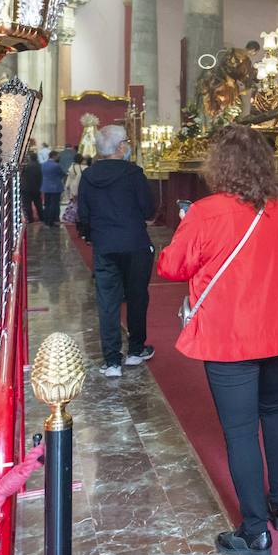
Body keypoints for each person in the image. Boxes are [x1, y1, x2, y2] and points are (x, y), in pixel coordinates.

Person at [157, 126, 278, 555]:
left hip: (233, 334)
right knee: (276, 411)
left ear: (219, 166)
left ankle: (255, 532)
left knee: (241, 430)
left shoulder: (207, 211)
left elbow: (172, 265)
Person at [77, 125, 157, 378]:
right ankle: (135, 349)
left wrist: (93, 236)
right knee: (136, 296)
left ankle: (112, 361)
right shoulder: (134, 174)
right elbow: (147, 209)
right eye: (127, 142)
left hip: (105, 245)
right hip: (135, 243)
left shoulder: (89, 176)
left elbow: (84, 214)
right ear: (121, 147)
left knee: (108, 302)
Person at [40, 150, 64, 227]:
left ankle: (46, 220)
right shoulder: (56, 165)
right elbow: (62, 174)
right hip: (55, 188)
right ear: (54, 156)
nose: (58, 157)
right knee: (54, 204)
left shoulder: (43, 165)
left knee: (47, 204)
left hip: (46, 187)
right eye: (57, 156)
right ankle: (53, 220)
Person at [60, 153, 86, 224]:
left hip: (72, 189)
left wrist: (68, 193)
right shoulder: (84, 168)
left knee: (73, 205)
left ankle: (73, 218)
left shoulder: (71, 168)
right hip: (81, 188)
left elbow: (68, 183)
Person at [19, 151, 42, 223]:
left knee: (27, 204)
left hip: (26, 188)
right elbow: (40, 177)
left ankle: (30, 218)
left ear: (30, 158)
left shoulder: (26, 166)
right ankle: (42, 217)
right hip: (36, 188)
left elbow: (22, 176)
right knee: (38, 204)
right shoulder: (39, 166)